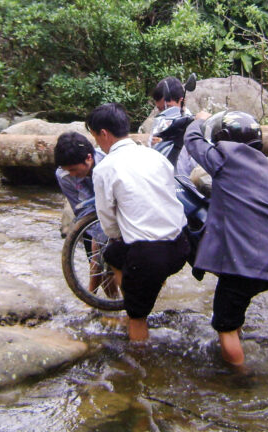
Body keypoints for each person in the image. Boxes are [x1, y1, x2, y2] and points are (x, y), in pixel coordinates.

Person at [183, 110, 268, 369]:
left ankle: (239, 380)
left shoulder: (226, 159)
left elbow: (192, 140)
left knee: (223, 324)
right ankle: (238, 340)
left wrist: (199, 119)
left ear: (224, 138)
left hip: (242, 266)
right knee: (235, 308)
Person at [87, 103, 189, 342]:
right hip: (181, 246)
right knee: (113, 254)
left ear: (103, 133)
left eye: (94, 136)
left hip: (149, 255)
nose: (96, 142)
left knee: (137, 318)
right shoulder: (155, 156)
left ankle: (139, 366)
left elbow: (108, 223)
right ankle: (143, 293)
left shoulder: (105, 169)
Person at [54, 131, 114, 296]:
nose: (71, 174)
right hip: (89, 217)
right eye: (68, 170)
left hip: (117, 214)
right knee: (97, 263)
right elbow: (79, 209)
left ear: (89, 158)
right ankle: (109, 302)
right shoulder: (63, 174)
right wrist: (99, 237)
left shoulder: (109, 164)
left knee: (121, 264)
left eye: (74, 169)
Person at [148, 76, 197, 177]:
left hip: (185, 182)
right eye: (160, 109)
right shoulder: (160, 122)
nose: (164, 112)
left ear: (181, 101)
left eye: (168, 107)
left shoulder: (193, 126)